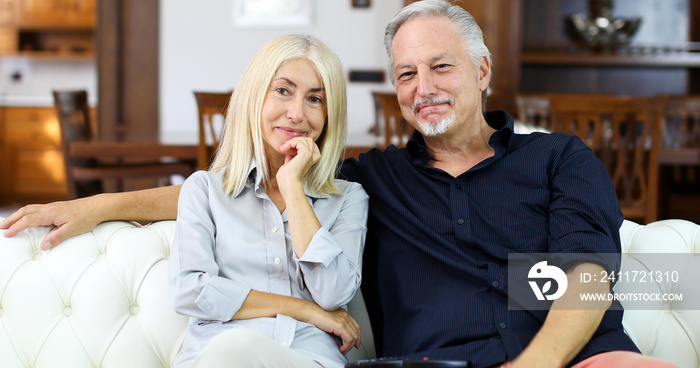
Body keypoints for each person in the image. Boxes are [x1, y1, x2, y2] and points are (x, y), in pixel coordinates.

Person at [0, 1, 678, 368]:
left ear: (482, 71)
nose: (423, 88)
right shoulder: (370, 180)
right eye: (406, 74)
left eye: (441, 67)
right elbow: (237, 190)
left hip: (579, 360)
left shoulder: (558, 159)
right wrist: (96, 205)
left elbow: (587, 272)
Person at [171, 33, 368, 368]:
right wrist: (303, 309)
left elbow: (333, 293)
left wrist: (291, 185)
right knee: (233, 350)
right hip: (220, 356)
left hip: (308, 359)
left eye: (315, 99)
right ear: (255, 96)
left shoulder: (349, 198)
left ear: (329, 113)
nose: (296, 113)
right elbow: (191, 291)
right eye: (283, 91)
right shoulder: (203, 190)